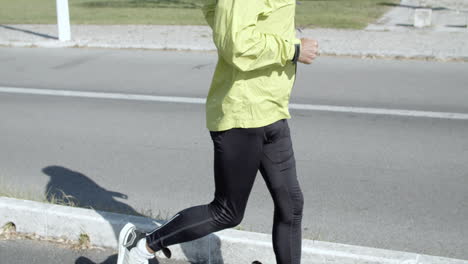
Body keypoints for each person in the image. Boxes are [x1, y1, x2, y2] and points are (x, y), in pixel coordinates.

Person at [116, 0, 318, 263]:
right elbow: (236, 45)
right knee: (227, 212)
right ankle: (141, 246)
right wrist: (292, 49)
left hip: (273, 109)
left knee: (291, 205)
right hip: (242, 114)